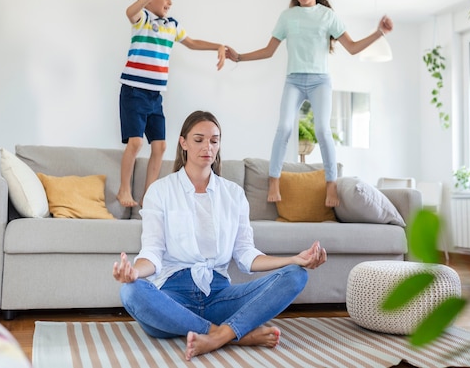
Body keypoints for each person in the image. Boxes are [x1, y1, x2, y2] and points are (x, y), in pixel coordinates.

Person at [112, 110, 327, 360]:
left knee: (296, 276)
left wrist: (293, 260)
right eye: (199, 139)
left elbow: (246, 255)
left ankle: (217, 336)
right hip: (174, 298)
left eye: (214, 140)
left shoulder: (233, 194)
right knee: (130, 291)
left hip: (220, 297)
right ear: (183, 143)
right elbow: (152, 251)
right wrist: (135, 273)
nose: (208, 147)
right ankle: (232, 334)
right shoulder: (160, 191)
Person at [225, 0, 393, 207]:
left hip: (319, 81)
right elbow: (269, 51)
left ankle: (331, 186)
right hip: (294, 79)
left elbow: (353, 47)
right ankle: (274, 180)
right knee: (284, 128)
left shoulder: (328, 16)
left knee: (323, 130)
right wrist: (239, 57)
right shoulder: (287, 17)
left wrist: (379, 33)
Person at [117, 0, 227, 207]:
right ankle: (124, 190)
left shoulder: (172, 25)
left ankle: (149, 195)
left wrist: (218, 46)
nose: (169, 2)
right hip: (134, 91)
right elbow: (130, 11)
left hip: (155, 95)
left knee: (160, 146)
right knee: (136, 142)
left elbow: (193, 42)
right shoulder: (142, 19)